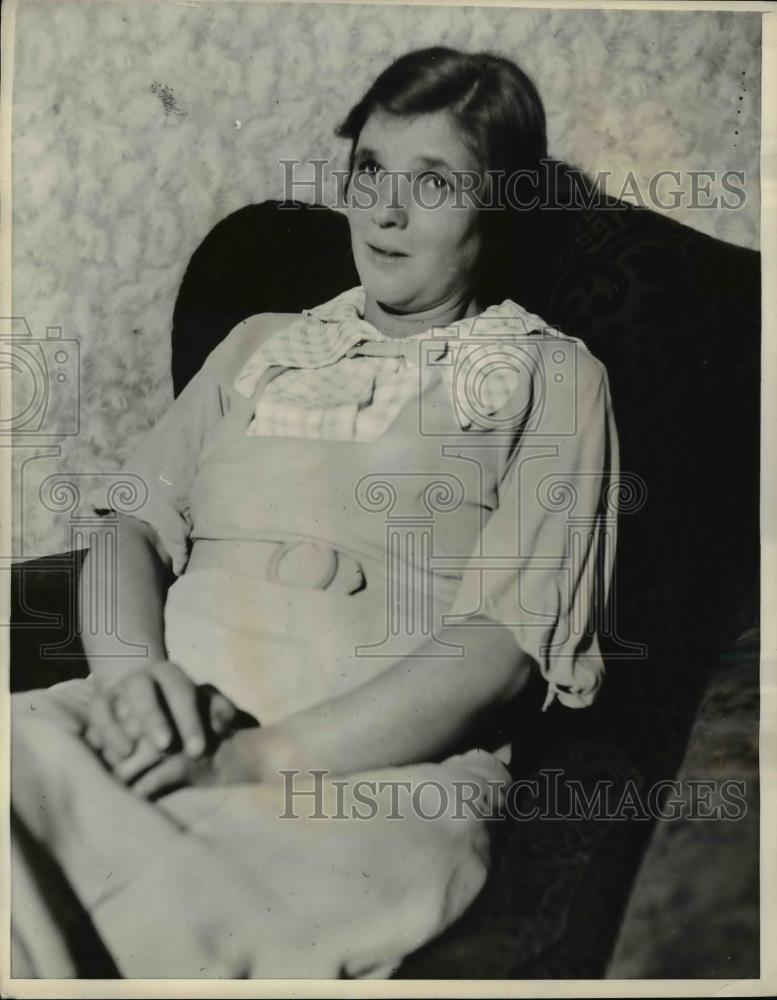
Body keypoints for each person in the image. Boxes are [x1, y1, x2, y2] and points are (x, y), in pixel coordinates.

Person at [11, 47, 619, 978]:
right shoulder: (260, 345)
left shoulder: (554, 377)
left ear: (497, 206)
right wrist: (132, 679)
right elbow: (127, 525)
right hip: (156, 722)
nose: (384, 209)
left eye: (434, 181)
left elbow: (497, 651)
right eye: (370, 170)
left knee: (179, 930)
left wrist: (253, 765)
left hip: (364, 781)